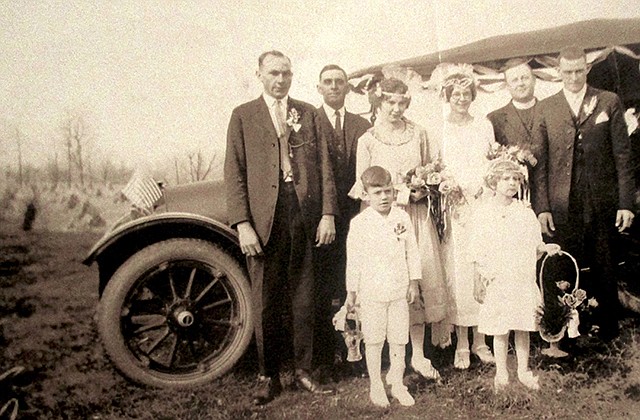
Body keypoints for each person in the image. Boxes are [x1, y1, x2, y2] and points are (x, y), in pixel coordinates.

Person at [224, 50, 337, 405]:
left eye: (286, 73)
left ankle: (304, 371)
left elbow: (324, 168)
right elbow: (234, 174)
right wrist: (243, 223)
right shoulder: (243, 116)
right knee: (265, 301)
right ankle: (268, 374)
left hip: (303, 215)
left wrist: (328, 214)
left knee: (305, 297)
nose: (280, 80)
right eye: (273, 73)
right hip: (263, 221)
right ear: (258, 74)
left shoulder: (308, 113)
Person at [532, 46, 635, 341]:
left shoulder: (608, 101)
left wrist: (626, 203)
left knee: (604, 261)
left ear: (587, 69)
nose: (574, 76)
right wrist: (543, 208)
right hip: (561, 203)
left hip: (601, 200)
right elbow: (540, 165)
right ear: (558, 72)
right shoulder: (546, 107)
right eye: (568, 71)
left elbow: (623, 156)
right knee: (563, 263)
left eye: (579, 70)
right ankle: (563, 329)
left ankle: (606, 327)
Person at [349, 77, 448, 380]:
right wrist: (401, 195)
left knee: (416, 281)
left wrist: (424, 189)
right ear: (378, 103)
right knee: (389, 283)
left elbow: (432, 172)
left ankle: (418, 354)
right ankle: (393, 358)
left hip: (415, 218)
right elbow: (364, 187)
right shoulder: (367, 140)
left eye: (401, 102)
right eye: (389, 102)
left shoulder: (419, 133)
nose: (395, 108)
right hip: (384, 222)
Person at [470, 158, 561, 392]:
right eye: (506, 179)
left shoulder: (524, 212)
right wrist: (478, 278)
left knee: (523, 325)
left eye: (516, 179)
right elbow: (477, 249)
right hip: (499, 278)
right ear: (494, 181)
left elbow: (535, 243)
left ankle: (523, 370)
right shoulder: (484, 213)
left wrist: (546, 248)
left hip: (521, 278)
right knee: (501, 327)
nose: (512, 183)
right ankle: (501, 371)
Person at [433, 63, 496, 369]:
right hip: (455, 207)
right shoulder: (440, 129)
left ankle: (482, 340)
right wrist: (452, 188)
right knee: (458, 271)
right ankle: (461, 343)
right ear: (447, 96)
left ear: (473, 94)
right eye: (455, 94)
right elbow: (437, 166)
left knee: (481, 267)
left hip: (481, 203)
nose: (461, 98)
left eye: (466, 93)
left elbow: (491, 163)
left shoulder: (484, 125)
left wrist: (481, 188)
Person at [345, 165, 420, 407]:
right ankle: (376, 384)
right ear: (365, 195)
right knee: (375, 339)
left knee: (399, 337)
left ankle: (397, 382)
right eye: (377, 193)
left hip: (399, 289)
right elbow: (353, 260)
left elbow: (412, 252)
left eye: (388, 191)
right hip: (372, 291)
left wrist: (413, 282)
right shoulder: (360, 223)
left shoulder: (402, 217)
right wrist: (352, 291)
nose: (384, 197)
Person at [313, 64, 371, 373]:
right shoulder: (309, 122)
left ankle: (360, 354)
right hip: (323, 220)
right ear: (318, 88)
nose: (334, 86)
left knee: (357, 283)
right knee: (325, 286)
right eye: (328, 82)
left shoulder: (362, 124)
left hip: (357, 218)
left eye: (340, 82)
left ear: (348, 88)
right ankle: (328, 356)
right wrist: (326, 214)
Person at [488, 58, 540, 151]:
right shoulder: (494, 119)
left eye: (525, 78)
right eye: (515, 80)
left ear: (534, 80)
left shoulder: (551, 112)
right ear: (507, 86)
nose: (520, 83)